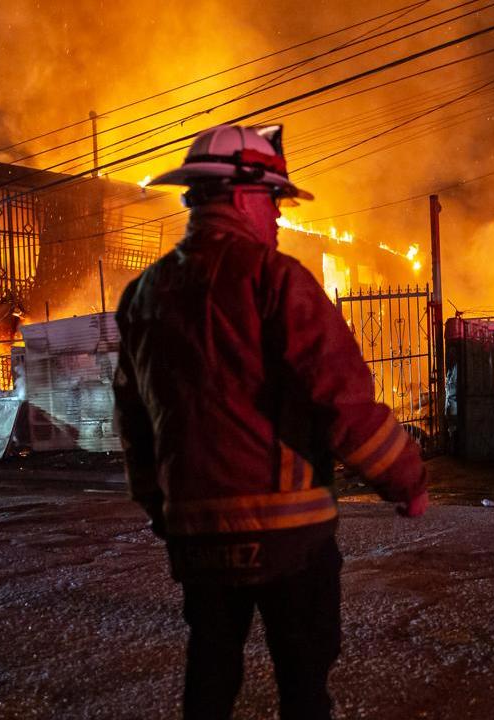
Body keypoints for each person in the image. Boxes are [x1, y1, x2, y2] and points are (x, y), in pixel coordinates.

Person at [112, 124, 429, 720]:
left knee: (210, 676)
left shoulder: (142, 295)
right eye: (274, 202)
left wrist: (162, 508)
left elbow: (134, 420)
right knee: (303, 686)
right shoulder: (276, 280)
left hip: (197, 540)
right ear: (239, 196)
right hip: (288, 535)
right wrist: (406, 479)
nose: (280, 219)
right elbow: (343, 400)